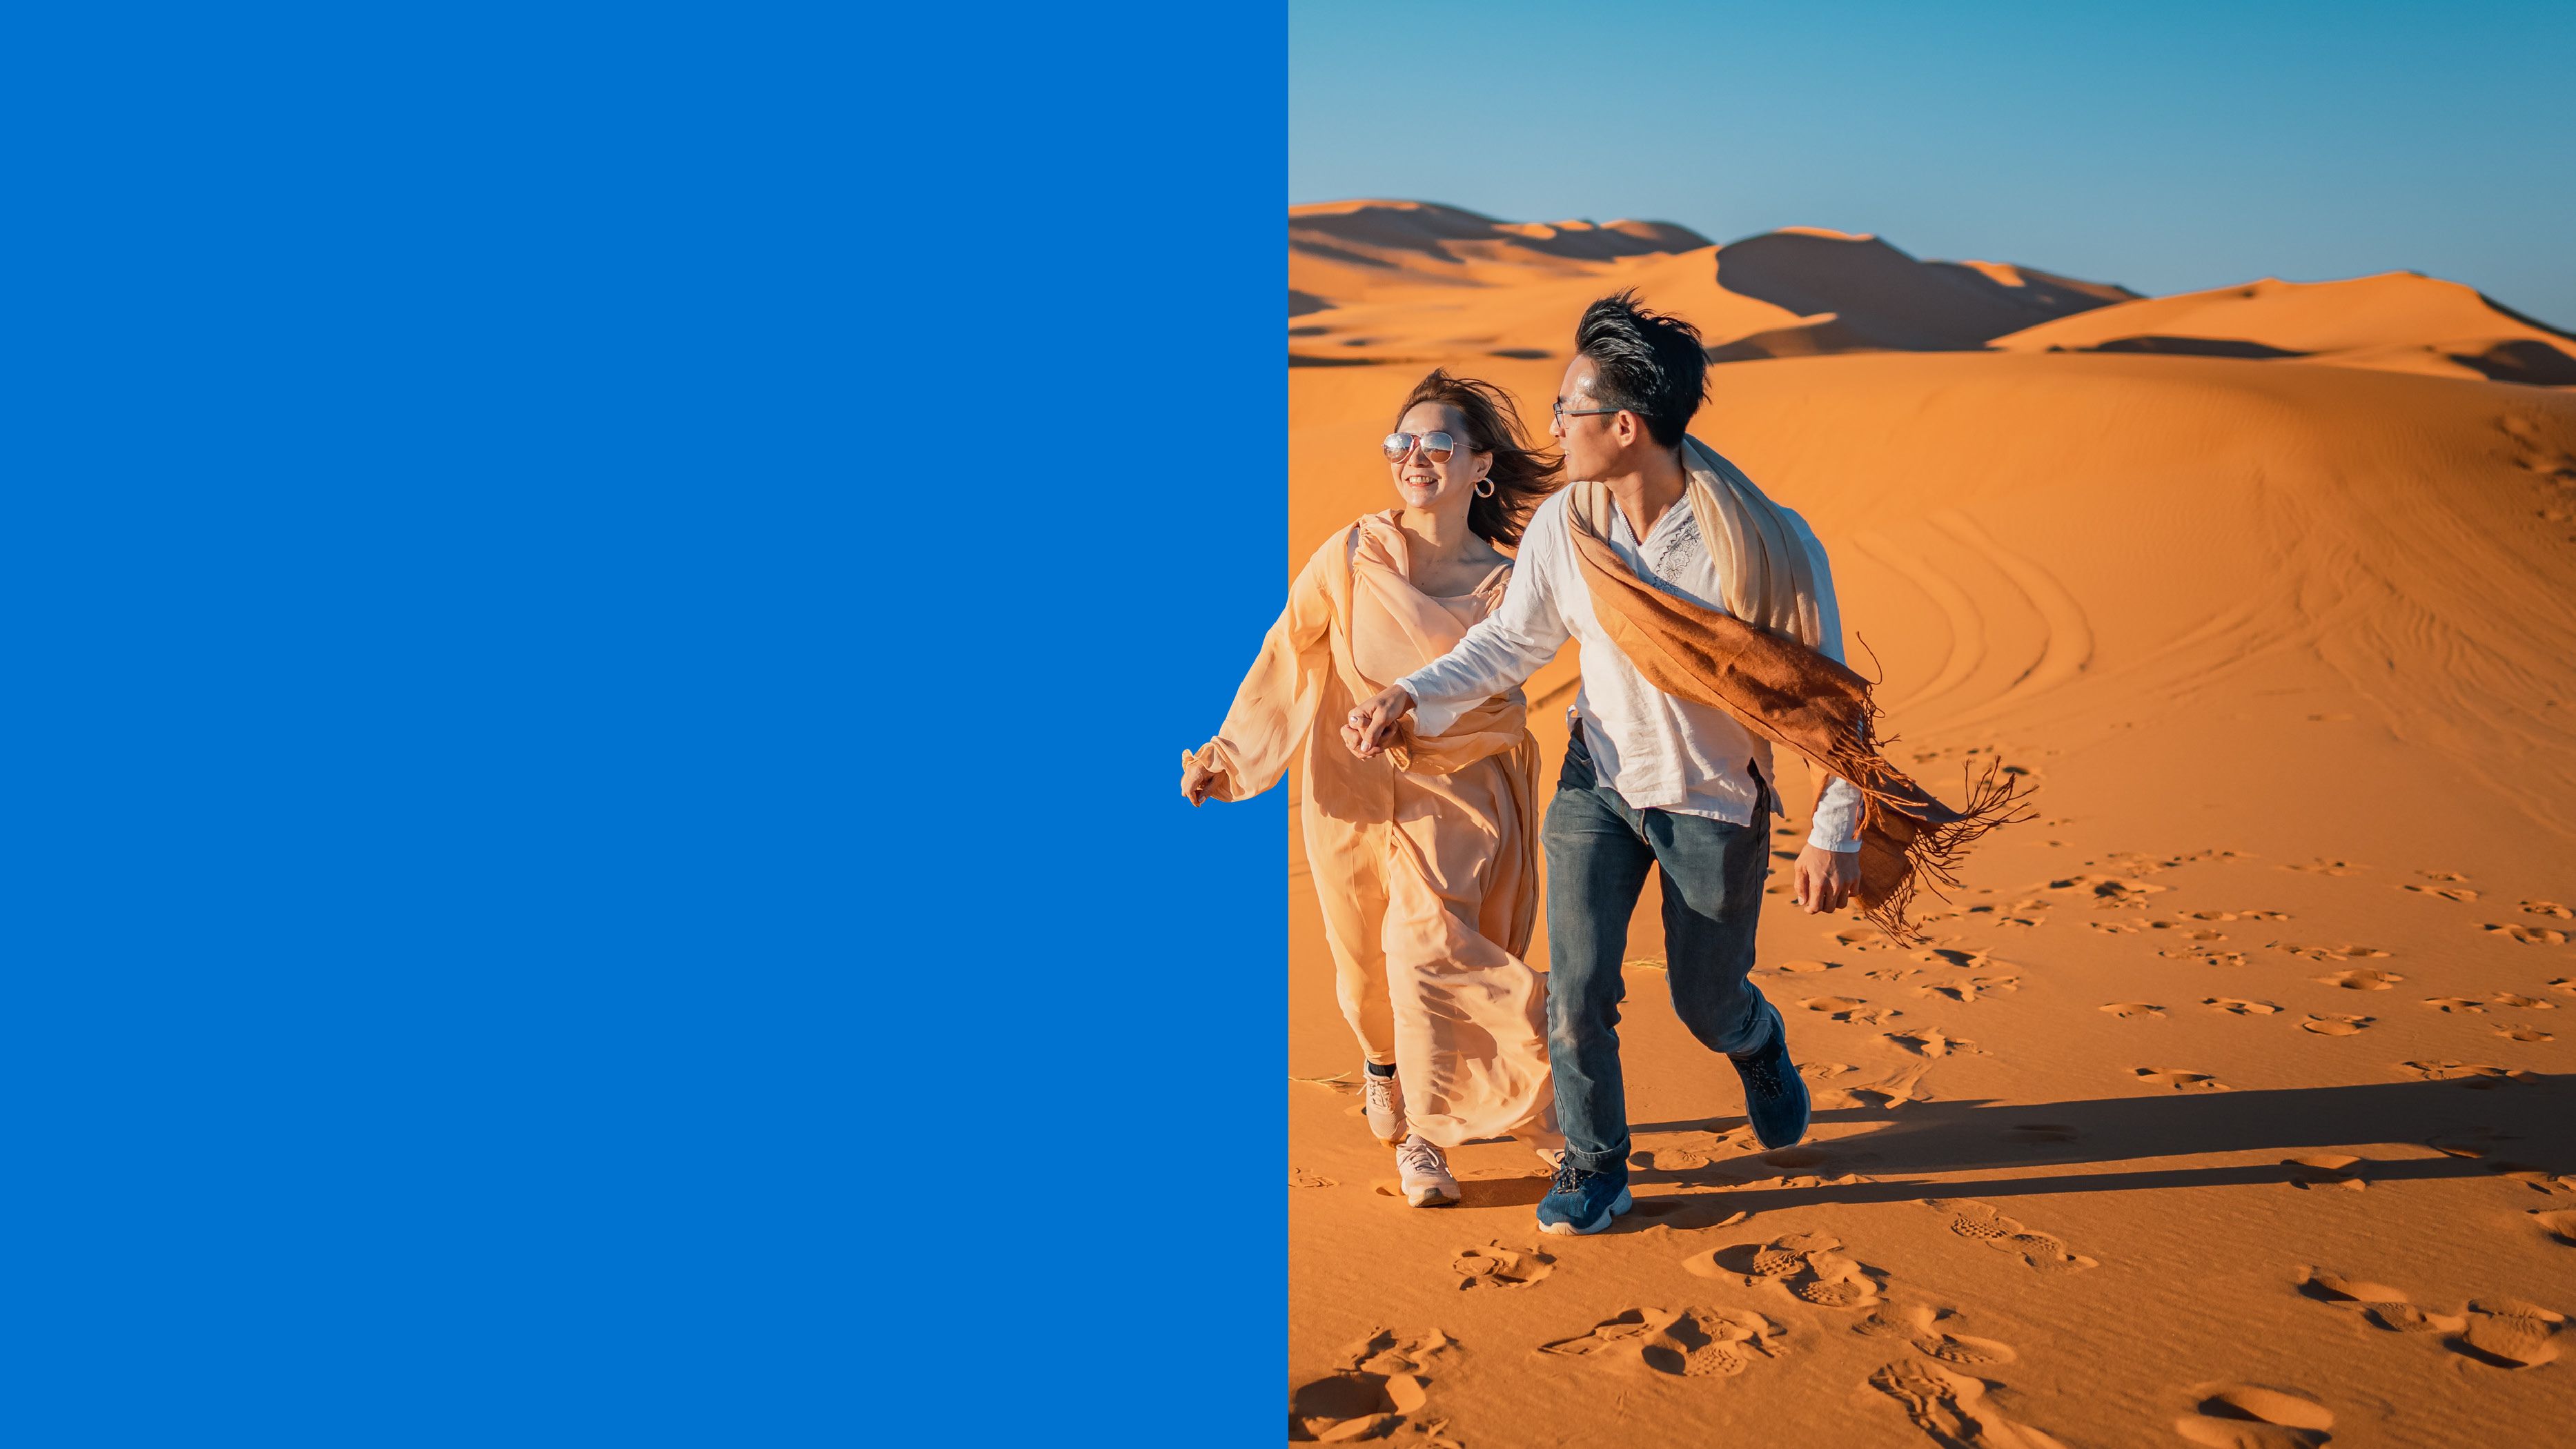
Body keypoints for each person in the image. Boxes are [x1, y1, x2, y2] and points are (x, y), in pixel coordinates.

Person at [1345, 292, 2022, 1236]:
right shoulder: (1566, 530)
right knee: (1578, 993)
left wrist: (1833, 830)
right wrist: (1412, 694)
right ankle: (1594, 1167)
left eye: (1568, 411)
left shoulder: (1763, 544)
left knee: (1706, 1001)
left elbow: (1825, 707)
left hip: (1711, 798)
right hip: (1599, 783)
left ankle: (1754, 1040)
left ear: (1625, 428)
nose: (1553, 429)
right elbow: (1508, 644)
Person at [1183, 371, 1569, 1207]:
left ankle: (1435, 1138)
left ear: (1480, 467)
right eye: (1402, 444)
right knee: (1363, 972)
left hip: (1458, 794)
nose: (1415, 459)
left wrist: (1419, 722)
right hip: (1348, 791)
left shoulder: (1508, 585)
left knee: (1425, 953)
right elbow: (1288, 653)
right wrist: (1231, 752)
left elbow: (1503, 704)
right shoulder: (1351, 554)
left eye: (1437, 445)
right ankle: (1383, 1064)